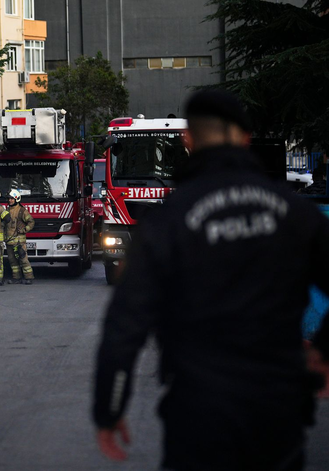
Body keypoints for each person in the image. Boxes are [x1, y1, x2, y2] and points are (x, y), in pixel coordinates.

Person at [92, 89, 329, 470]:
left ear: (188, 141)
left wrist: (109, 408)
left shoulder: (167, 223)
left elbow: (124, 327)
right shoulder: (296, 213)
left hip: (198, 418)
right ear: (246, 139)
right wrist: (324, 352)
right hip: (278, 414)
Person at [3, 189, 36, 285]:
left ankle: (29, 277)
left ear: (17, 199)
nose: (10, 200)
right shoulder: (7, 210)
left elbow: (31, 222)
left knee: (23, 259)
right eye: (9, 199)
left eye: (12, 199)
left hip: (19, 241)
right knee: (12, 262)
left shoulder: (22, 211)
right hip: (9, 241)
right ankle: (16, 278)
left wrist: (24, 230)